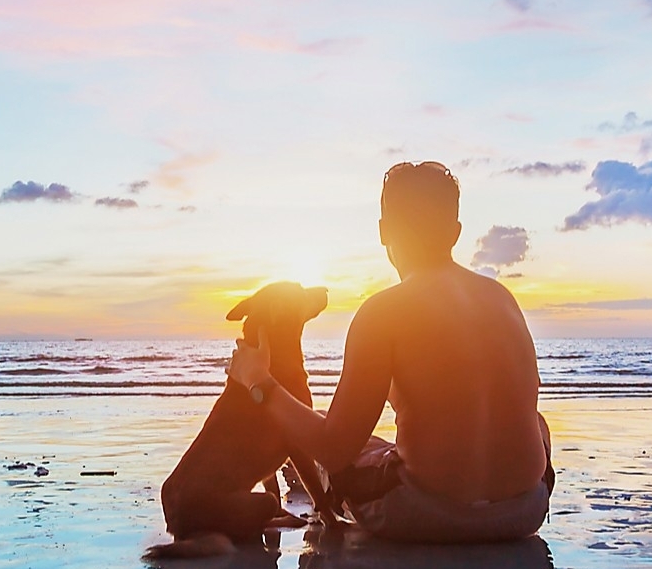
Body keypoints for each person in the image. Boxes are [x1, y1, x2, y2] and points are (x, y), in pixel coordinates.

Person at [228, 161, 554, 543]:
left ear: (384, 232)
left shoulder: (382, 312)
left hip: (425, 516)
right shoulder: (503, 299)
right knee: (538, 423)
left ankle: (313, 485)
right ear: (455, 233)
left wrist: (258, 381)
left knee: (329, 442)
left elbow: (335, 449)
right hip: (524, 510)